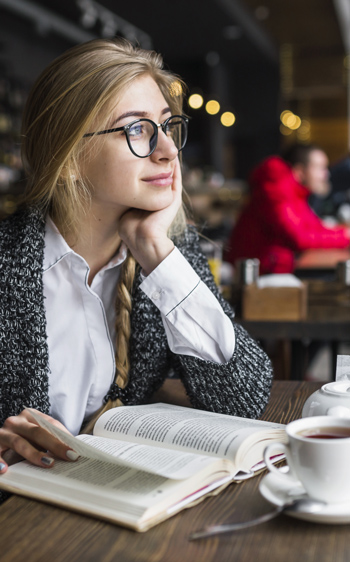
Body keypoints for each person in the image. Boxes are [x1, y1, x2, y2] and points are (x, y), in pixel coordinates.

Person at [0, 39, 273, 488]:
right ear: (68, 158)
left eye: (167, 126)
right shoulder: (11, 263)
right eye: (137, 130)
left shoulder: (168, 253)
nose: (168, 150)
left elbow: (243, 397)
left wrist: (155, 250)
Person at [225, 144, 350, 275]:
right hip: (258, 274)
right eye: (320, 168)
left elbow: (314, 227)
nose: (326, 174)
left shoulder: (294, 191)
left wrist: (344, 234)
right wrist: (345, 236)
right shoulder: (277, 188)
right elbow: (298, 239)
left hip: (275, 268)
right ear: (300, 171)